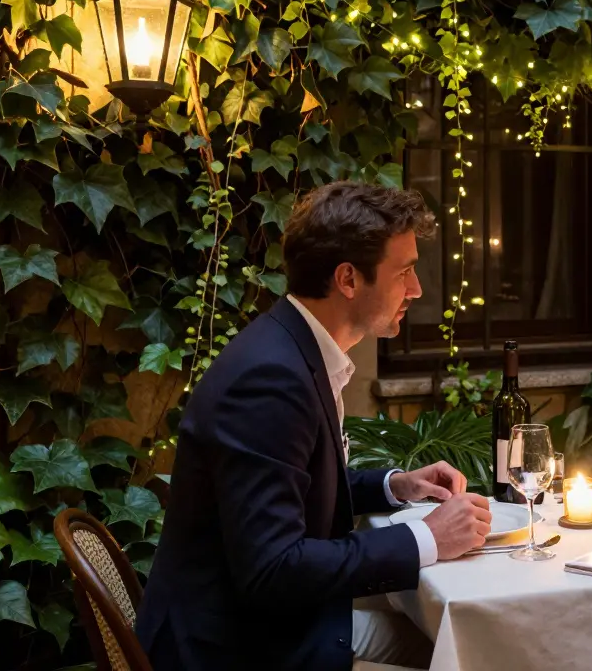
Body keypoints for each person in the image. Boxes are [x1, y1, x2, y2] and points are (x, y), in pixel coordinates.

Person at [136, 181, 493, 671]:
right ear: (348, 279)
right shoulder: (271, 380)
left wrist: (395, 486)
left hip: (272, 625)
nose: (417, 290)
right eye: (405, 272)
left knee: (464, 645)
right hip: (240, 648)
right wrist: (426, 539)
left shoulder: (292, 347)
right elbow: (273, 569)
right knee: (475, 653)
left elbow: (291, 484)